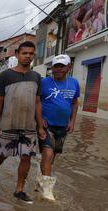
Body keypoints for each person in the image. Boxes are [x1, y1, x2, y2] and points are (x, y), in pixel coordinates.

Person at [0, 41, 46, 204]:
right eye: (24, 53)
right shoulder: (6, 75)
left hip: (28, 126)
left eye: (31, 54)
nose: (27, 56)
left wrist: (40, 126)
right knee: (1, 155)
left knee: (26, 157)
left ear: (33, 55)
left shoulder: (36, 77)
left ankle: (19, 190)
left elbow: (37, 102)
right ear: (17, 55)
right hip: (8, 124)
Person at [39, 54, 80, 201]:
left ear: (68, 67)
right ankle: (47, 191)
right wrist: (40, 119)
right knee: (48, 154)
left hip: (63, 127)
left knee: (52, 157)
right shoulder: (44, 82)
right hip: (47, 125)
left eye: (61, 66)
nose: (58, 69)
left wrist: (72, 121)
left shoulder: (74, 83)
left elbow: (74, 103)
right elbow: (36, 101)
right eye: (55, 66)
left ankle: (41, 179)